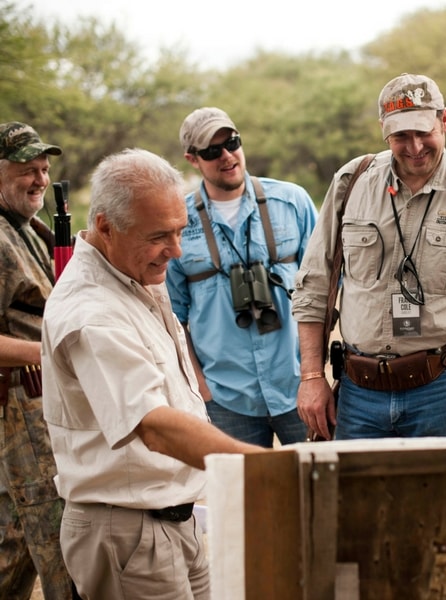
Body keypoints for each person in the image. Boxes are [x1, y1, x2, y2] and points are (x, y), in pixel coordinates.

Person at [41, 148, 264, 599]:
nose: (176, 251)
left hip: (170, 518)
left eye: (180, 232)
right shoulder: (92, 311)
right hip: (129, 531)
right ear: (105, 225)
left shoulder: (132, 268)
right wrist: (264, 468)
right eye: (160, 235)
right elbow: (156, 427)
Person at [292, 73, 446, 441]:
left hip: (439, 390)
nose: (413, 147)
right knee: (355, 499)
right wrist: (312, 378)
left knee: (437, 499)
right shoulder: (352, 182)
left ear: (445, 120)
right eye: (400, 136)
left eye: (423, 132)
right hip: (358, 391)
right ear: (383, 130)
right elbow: (314, 285)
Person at [167, 107, 318, 448]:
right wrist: (203, 389)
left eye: (232, 142)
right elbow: (173, 318)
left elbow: (328, 287)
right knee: (244, 499)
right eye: (211, 151)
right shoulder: (178, 219)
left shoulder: (292, 201)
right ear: (192, 159)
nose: (227, 156)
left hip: (299, 386)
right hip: (226, 398)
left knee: (320, 493)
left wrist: (315, 374)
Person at [0, 122, 75, 599]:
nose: (40, 180)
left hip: (38, 408)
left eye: (44, 169)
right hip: (20, 410)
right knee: (61, 540)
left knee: (13, 541)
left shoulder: (25, 227)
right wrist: (49, 355)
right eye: (27, 169)